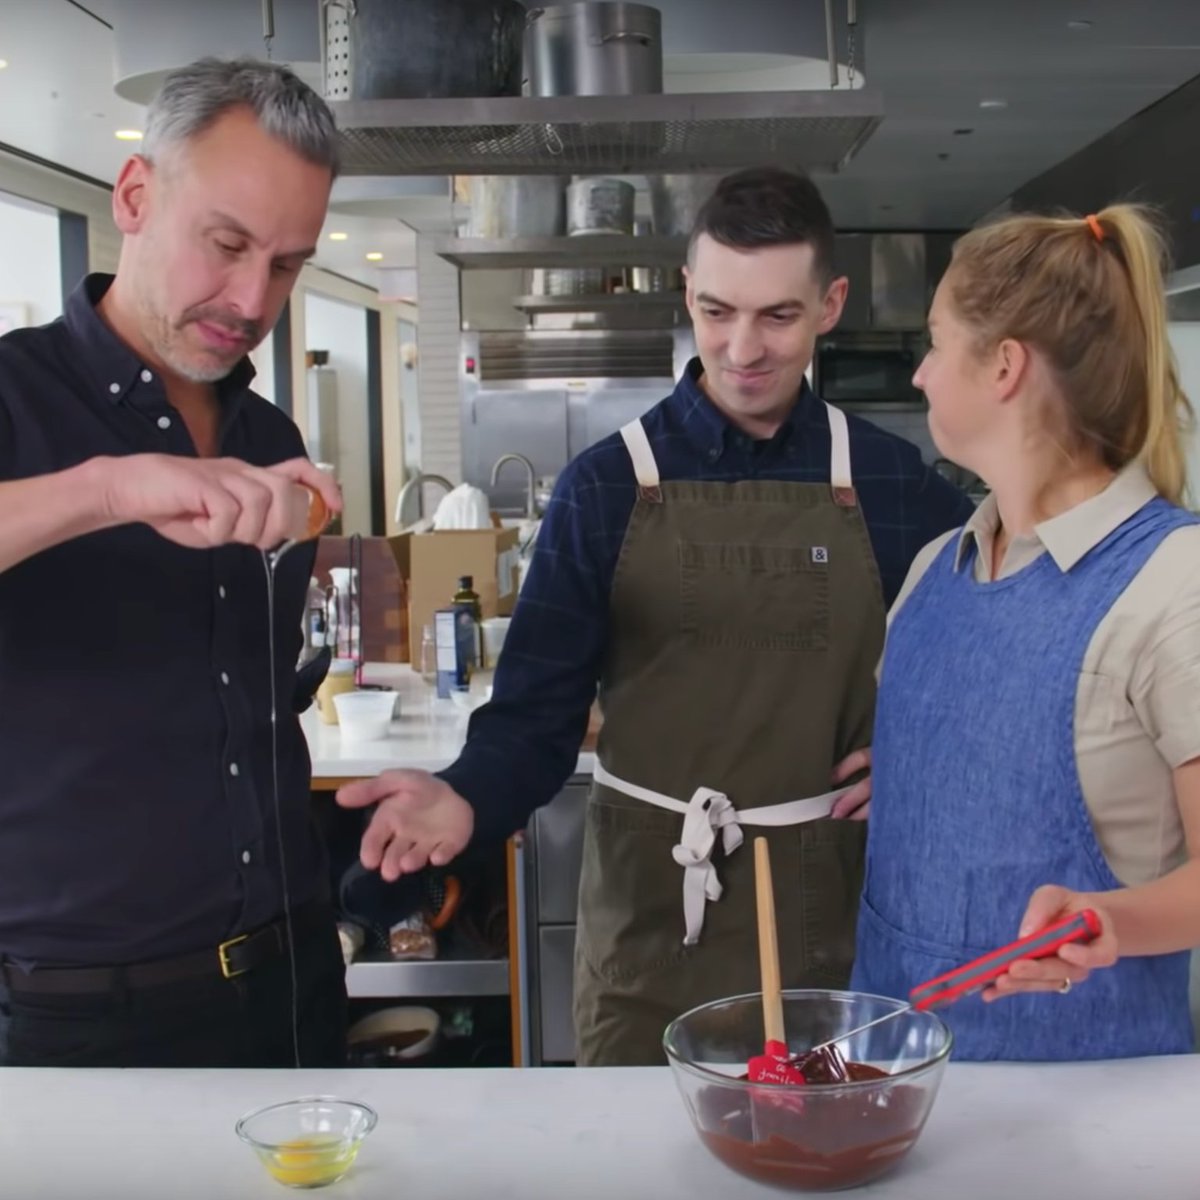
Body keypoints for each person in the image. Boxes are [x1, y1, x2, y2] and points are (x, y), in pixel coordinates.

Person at [338, 167, 975, 1066]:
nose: (742, 347)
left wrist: (928, 752)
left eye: (777, 316)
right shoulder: (604, 488)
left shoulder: (892, 485)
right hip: (652, 926)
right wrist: (466, 795)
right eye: (717, 311)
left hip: (835, 926)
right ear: (687, 293)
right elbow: (533, 717)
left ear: (830, 304)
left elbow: (989, 656)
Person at [0, 58, 347, 1068]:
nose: (252, 296)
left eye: (287, 264)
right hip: (73, 1011)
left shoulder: (267, 430)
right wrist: (106, 491)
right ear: (137, 197)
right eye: (227, 244)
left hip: (290, 978)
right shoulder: (15, 400)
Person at [851, 204, 1200, 1059]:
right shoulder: (940, 568)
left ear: (1004, 366)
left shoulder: (1173, 585)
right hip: (895, 1079)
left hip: (1085, 1114)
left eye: (935, 343)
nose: (923, 375)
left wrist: (1107, 918)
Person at [0, 454, 338, 575]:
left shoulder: (273, 432)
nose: (251, 305)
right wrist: (108, 492)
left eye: (280, 287)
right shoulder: (13, 385)